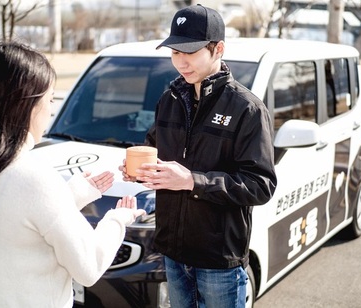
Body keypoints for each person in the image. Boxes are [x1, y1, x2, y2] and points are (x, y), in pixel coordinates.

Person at [0, 41, 145, 308]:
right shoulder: (33, 177)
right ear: (26, 106)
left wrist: (72, 195)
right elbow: (88, 266)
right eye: (49, 99)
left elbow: (11, 222)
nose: (50, 109)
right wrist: (117, 219)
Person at [119, 4, 277, 308]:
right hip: (173, 251)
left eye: (189, 52)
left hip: (218, 258)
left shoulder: (247, 109)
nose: (181, 61)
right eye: (175, 52)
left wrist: (193, 181)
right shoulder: (170, 99)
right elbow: (156, 152)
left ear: (218, 49)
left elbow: (261, 184)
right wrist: (138, 170)